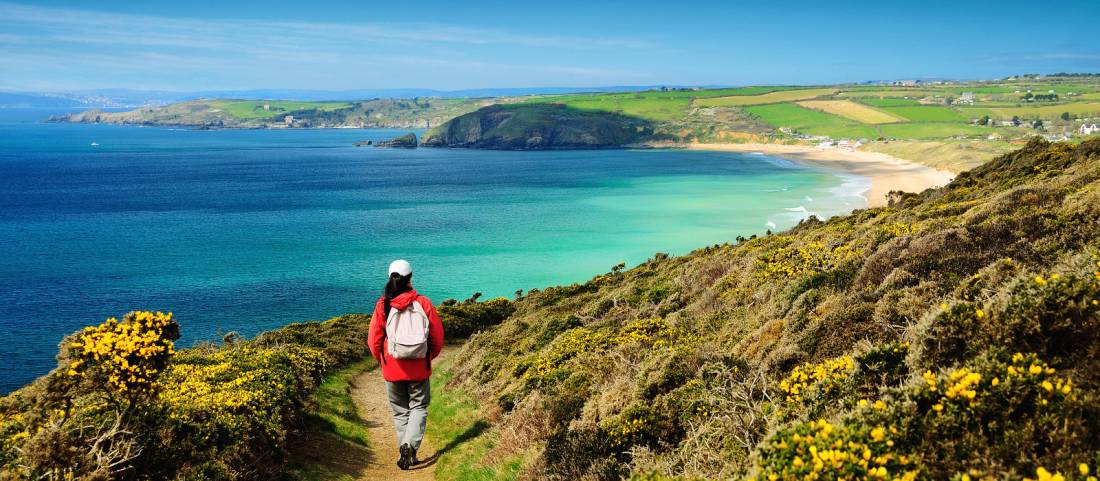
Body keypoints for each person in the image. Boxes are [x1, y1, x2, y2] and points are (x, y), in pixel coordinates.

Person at [368, 259, 445, 470]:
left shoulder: (383, 304)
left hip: (392, 368)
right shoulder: (424, 303)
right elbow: (437, 338)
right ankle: (410, 448)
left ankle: (406, 447)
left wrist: (381, 360)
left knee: (400, 411)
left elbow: (374, 339)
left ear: (390, 277)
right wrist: (429, 357)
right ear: (411, 277)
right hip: (419, 367)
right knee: (418, 407)